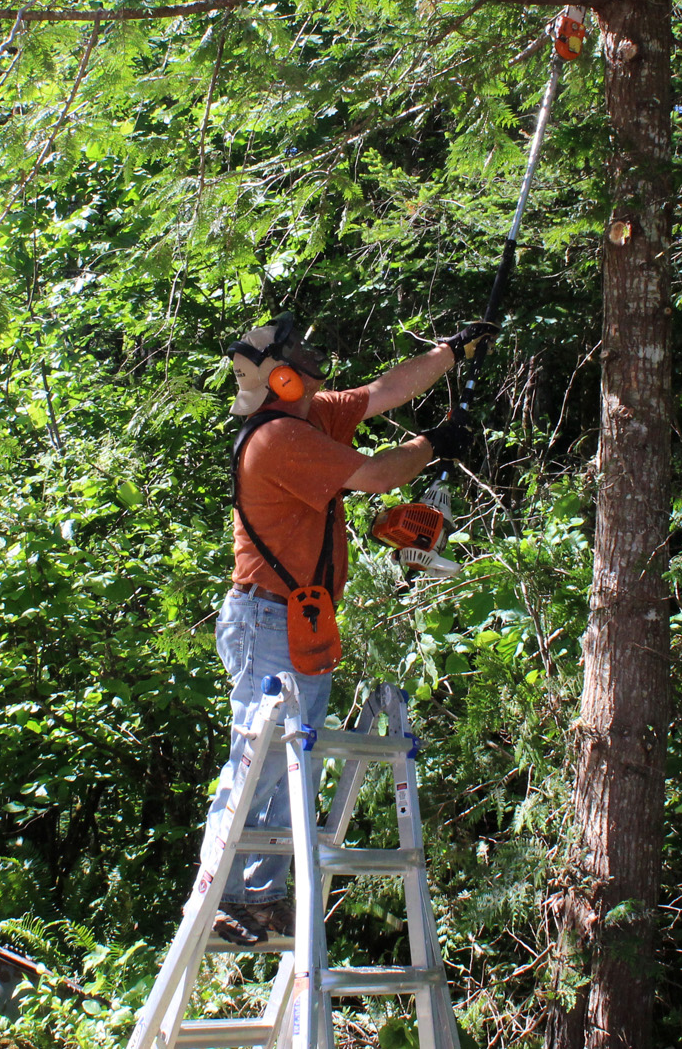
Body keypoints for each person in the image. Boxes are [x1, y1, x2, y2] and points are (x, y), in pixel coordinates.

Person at [200, 313, 496, 946]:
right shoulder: (279, 437)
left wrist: (451, 352)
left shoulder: (310, 415)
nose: (313, 364)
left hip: (299, 618)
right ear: (279, 377)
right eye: (298, 357)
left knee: (294, 763)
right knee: (257, 760)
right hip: (265, 618)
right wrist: (433, 445)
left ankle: (262, 897)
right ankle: (221, 896)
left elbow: (384, 391)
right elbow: (377, 476)